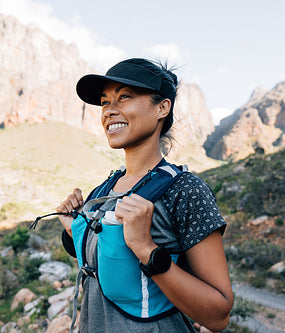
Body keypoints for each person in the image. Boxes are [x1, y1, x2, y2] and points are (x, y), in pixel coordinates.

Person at [56, 58, 233, 332]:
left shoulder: (185, 191)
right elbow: (105, 266)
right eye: (105, 102)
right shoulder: (103, 190)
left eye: (124, 97)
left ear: (162, 107)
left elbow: (218, 316)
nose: (109, 112)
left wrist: (147, 249)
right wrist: (73, 230)